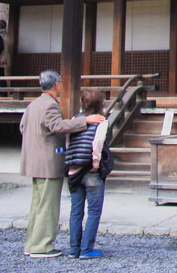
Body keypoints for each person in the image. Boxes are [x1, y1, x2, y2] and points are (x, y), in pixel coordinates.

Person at [19, 70, 105, 258]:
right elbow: (57, 126)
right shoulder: (50, 105)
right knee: (48, 207)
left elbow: (23, 127)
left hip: (34, 161)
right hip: (47, 162)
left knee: (37, 205)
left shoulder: (33, 104)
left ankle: (32, 243)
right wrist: (85, 121)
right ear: (56, 84)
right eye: (60, 83)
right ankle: (42, 246)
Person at [65, 89, 110, 259]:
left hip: (74, 169)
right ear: (100, 104)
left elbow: (69, 141)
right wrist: (96, 163)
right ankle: (87, 249)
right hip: (91, 170)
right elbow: (98, 143)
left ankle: (74, 249)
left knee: (76, 211)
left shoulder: (75, 120)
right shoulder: (101, 122)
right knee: (94, 211)